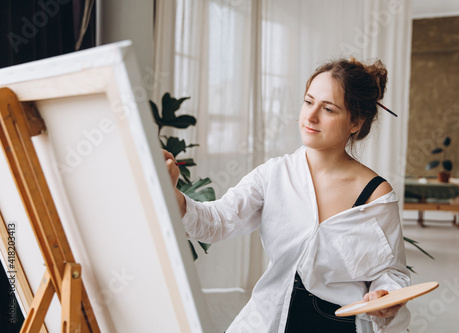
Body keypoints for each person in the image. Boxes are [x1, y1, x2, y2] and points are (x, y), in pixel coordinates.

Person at [164, 58, 411, 333]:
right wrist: (170, 192)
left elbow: (391, 273)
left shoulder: (376, 195)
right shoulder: (274, 175)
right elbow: (217, 221)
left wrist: (385, 295)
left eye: (328, 108)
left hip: (341, 325)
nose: (311, 116)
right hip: (273, 319)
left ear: (355, 122)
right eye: (308, 102)